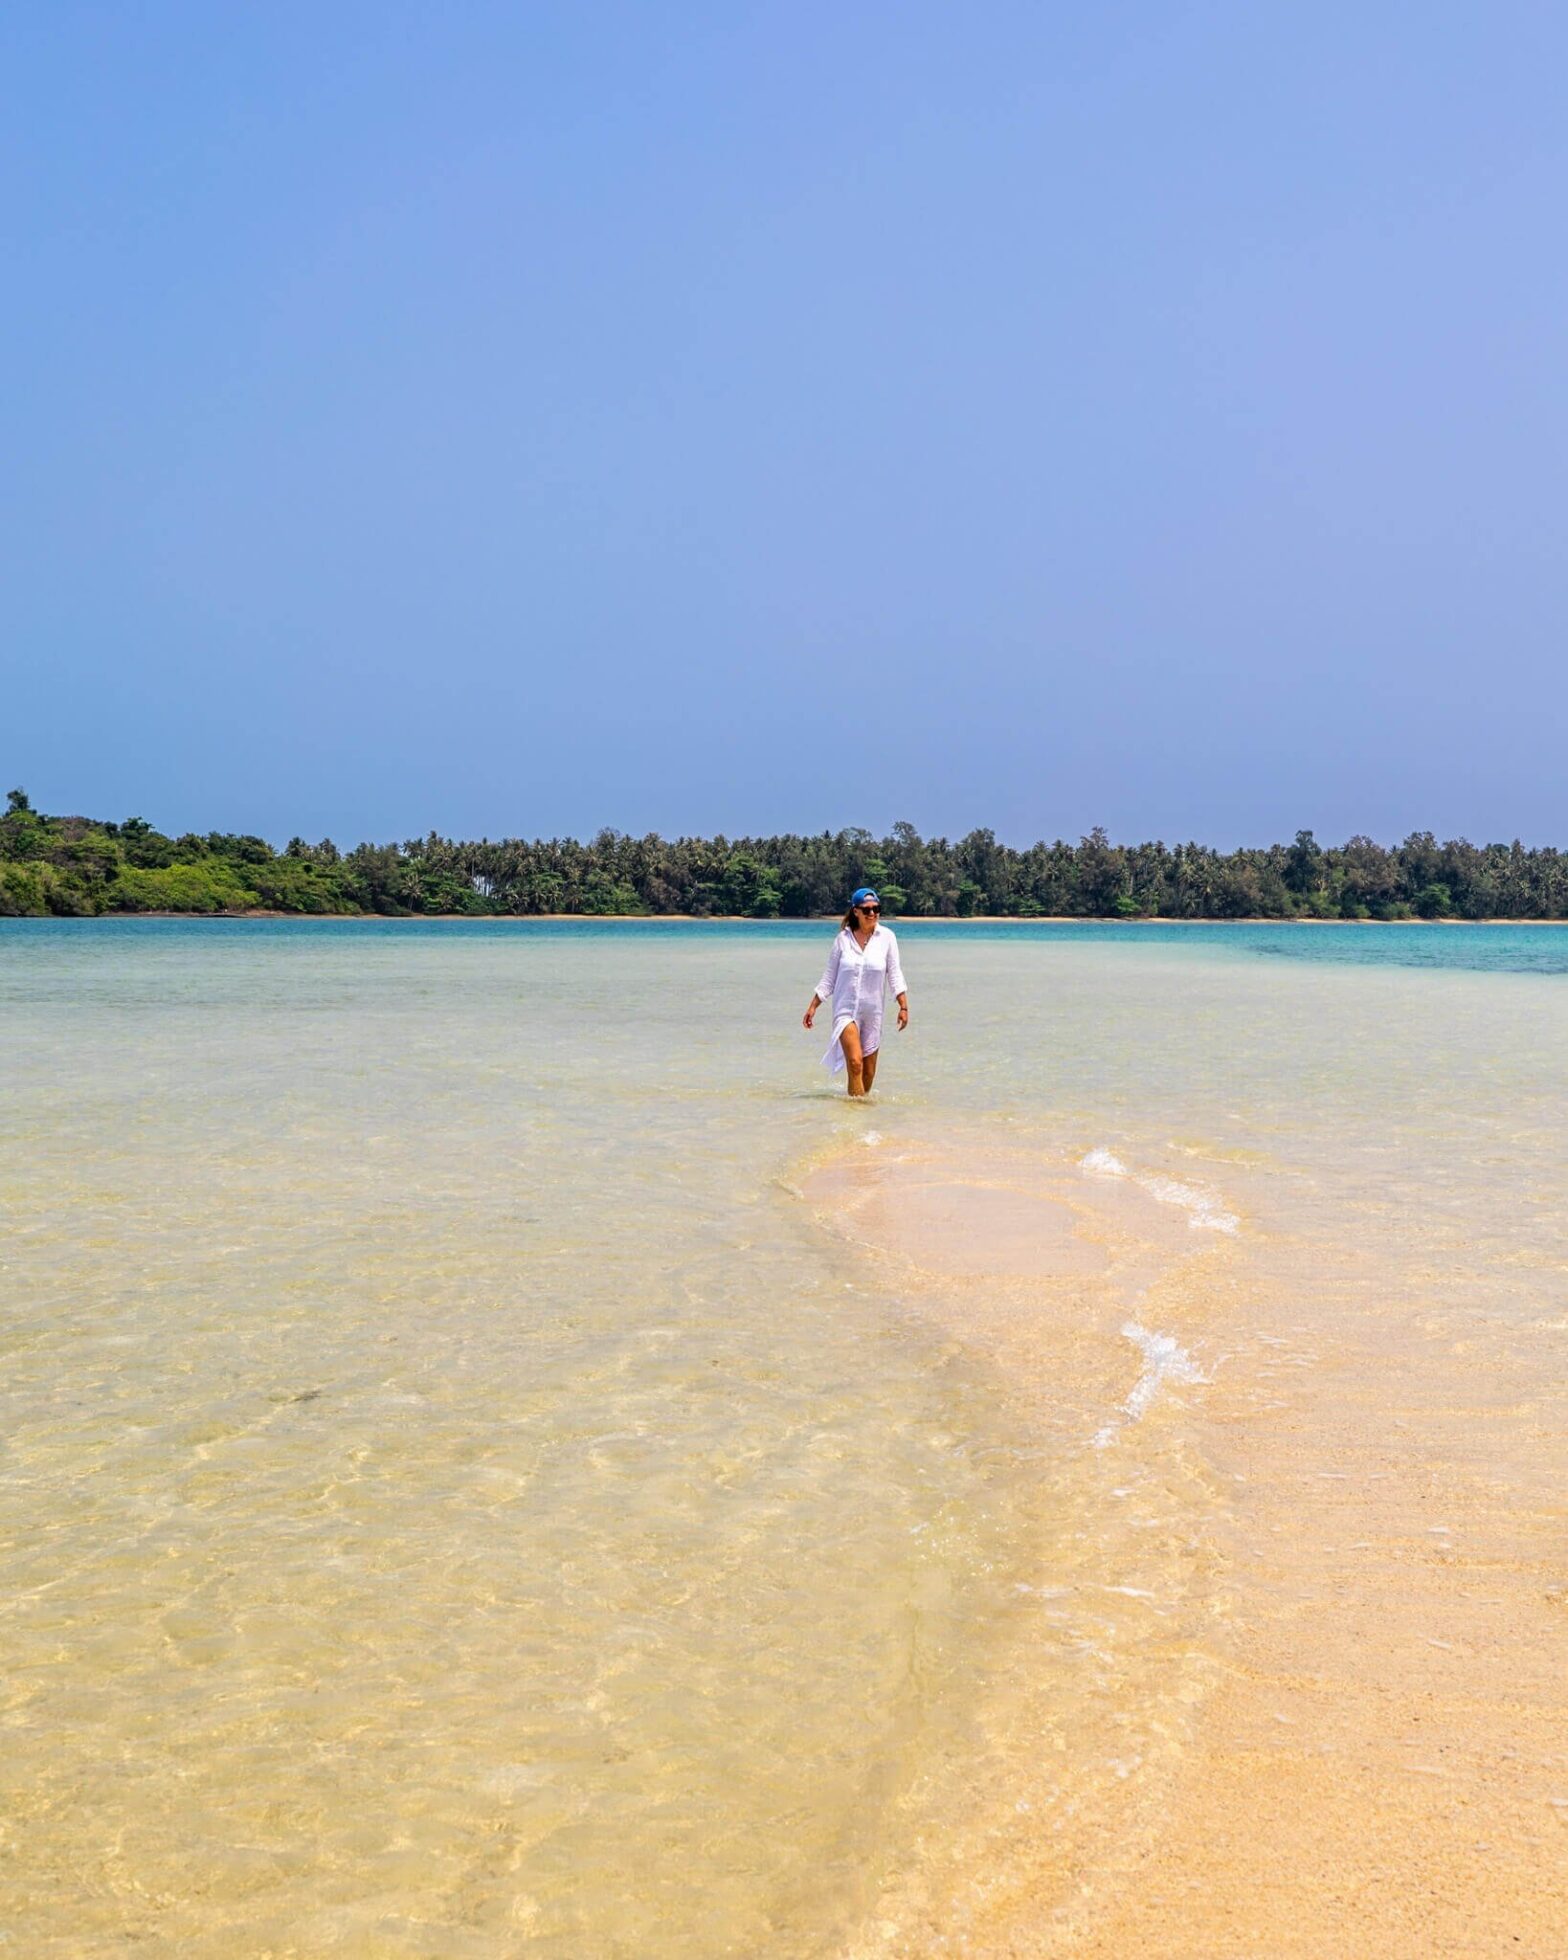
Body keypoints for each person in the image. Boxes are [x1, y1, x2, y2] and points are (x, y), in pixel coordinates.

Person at [802, 888, 909, 1096]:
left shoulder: (887, 937)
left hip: (873, 1013)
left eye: (876, 909)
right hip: (846, 1011)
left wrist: (903, 1006)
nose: (872, 914)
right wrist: (813, 1006)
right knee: (855, 1063)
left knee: (868, 1073)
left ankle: (858, 1111)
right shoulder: (843, 939)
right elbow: (829, 977)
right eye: (867, 910)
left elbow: (895, 974)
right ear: (855, 912)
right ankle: (856, 1116)